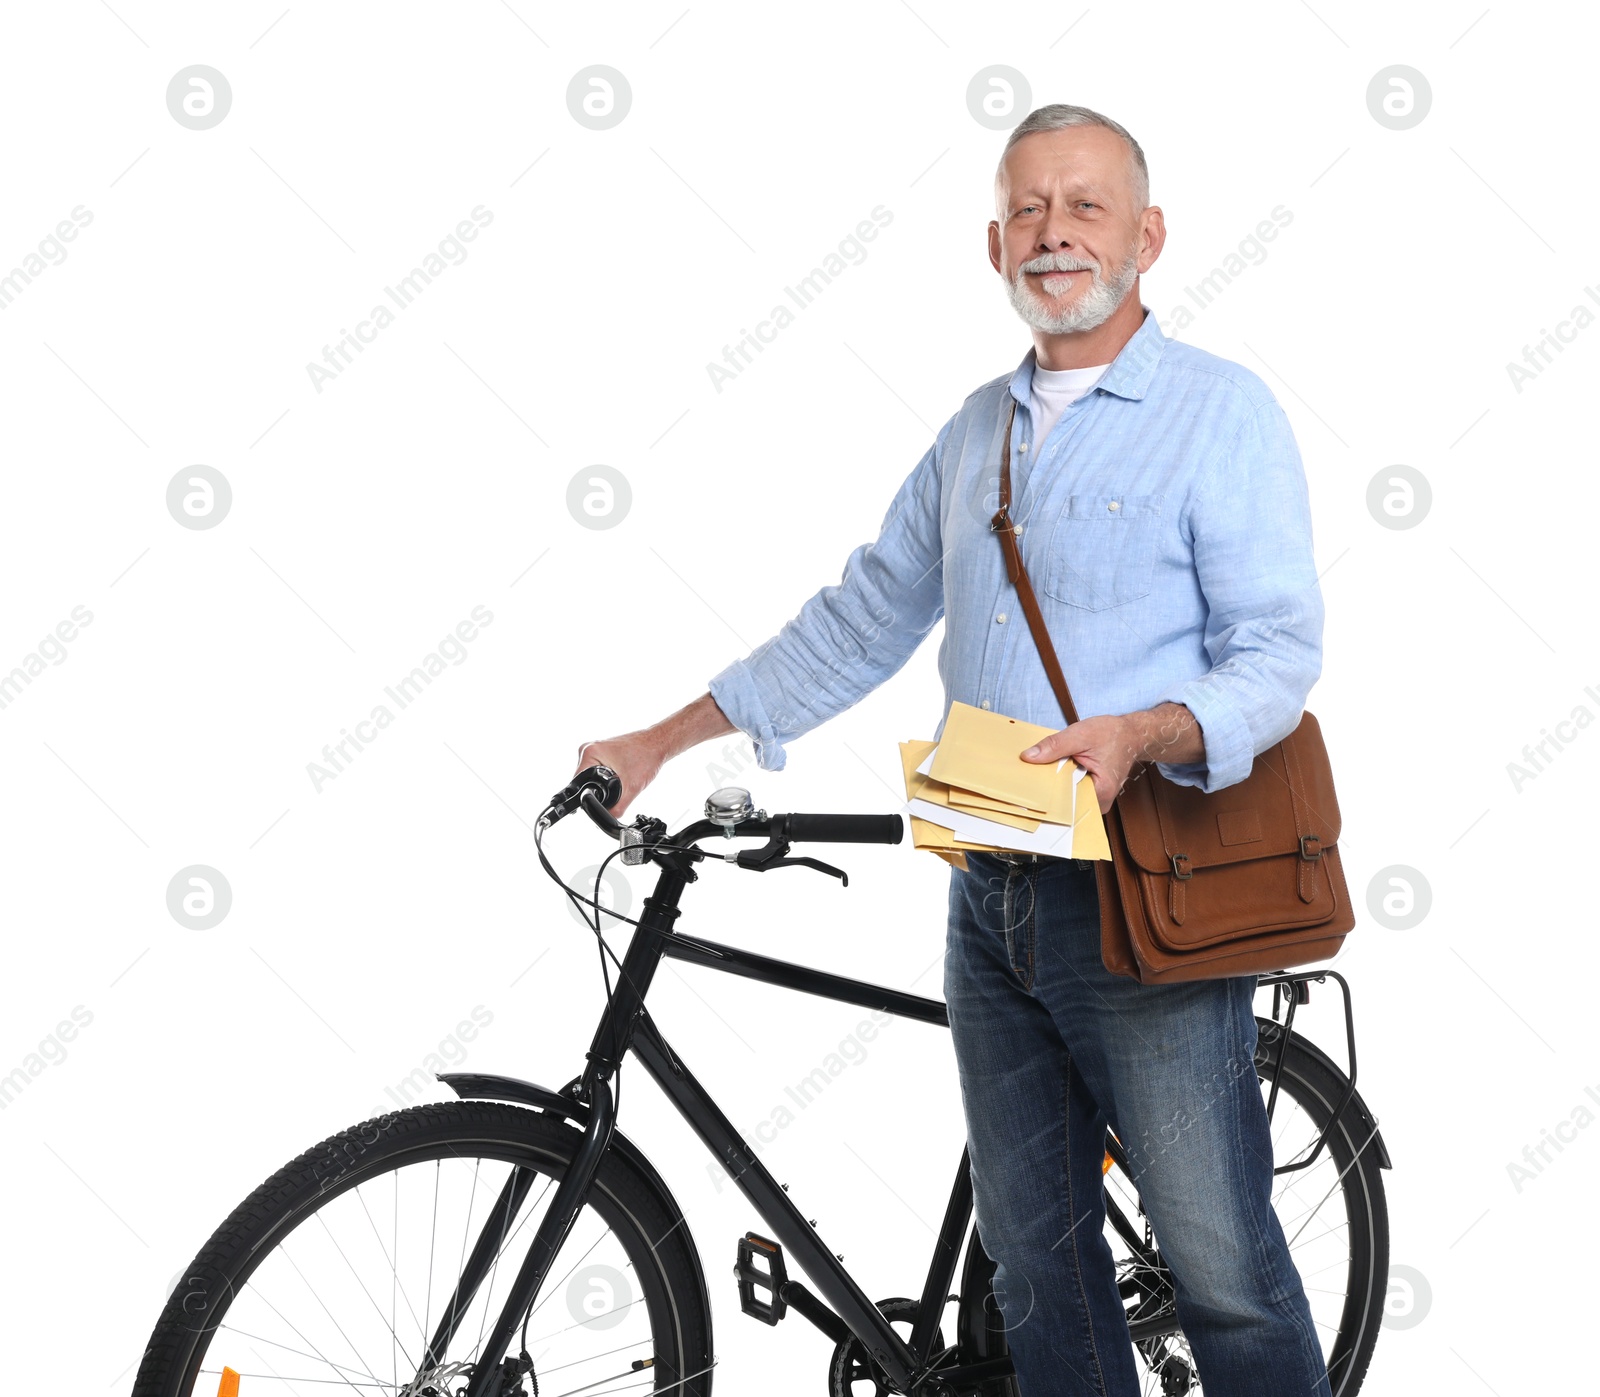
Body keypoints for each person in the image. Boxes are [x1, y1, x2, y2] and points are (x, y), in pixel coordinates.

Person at [575, 103, 1332, 1397]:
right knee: (1038, 1272)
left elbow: (1278, 652)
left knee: (1221, 1269)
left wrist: (1145, 732)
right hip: (993, 890)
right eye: (1028, 210)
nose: (1054, 233)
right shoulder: (974, 433)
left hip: (1147, 888)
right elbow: (864, 616)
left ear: (1147, 235)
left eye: (1085, 206)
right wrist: (662, 735)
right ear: (993, 245)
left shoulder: (1222, 413)